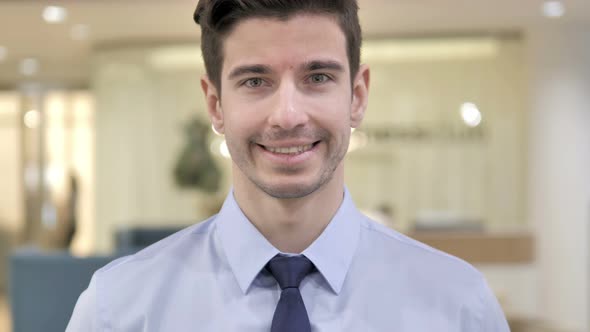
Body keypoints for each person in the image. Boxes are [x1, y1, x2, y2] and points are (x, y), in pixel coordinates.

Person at [67, 0, 510, 331]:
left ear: (357, 96)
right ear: (215, 104)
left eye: (317, 78)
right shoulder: (119, 310)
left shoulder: (457, 306)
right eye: (255, 81)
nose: (288, 115)